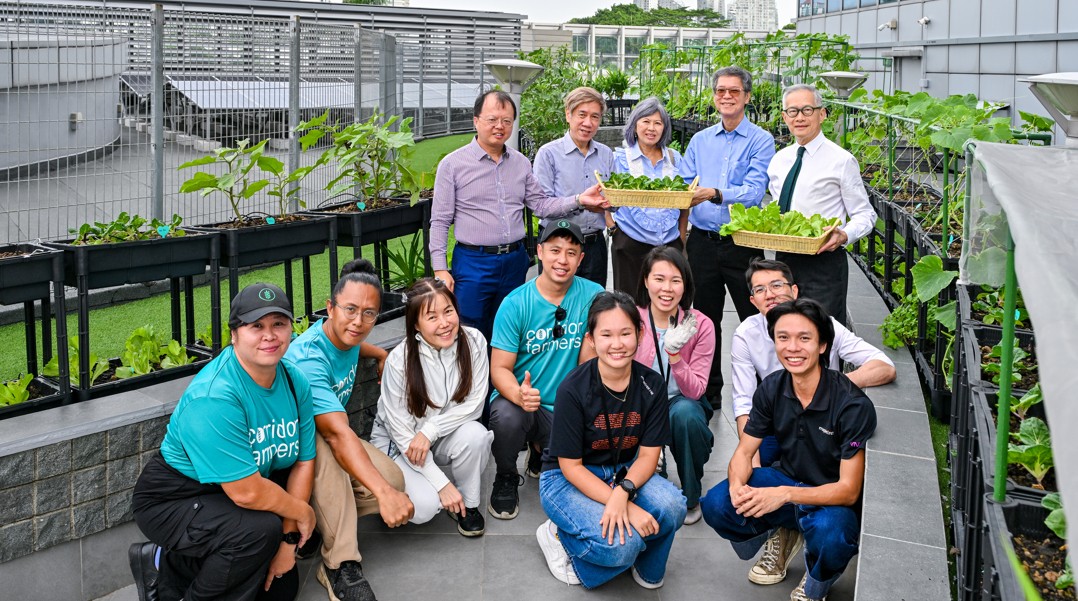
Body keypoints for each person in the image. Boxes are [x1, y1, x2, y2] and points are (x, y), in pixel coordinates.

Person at [129, 283, 316, 601]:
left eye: (278, 324)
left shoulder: (294, 380)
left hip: (235, 494)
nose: (269, 335)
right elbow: (246, 493)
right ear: (234, 335)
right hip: (176, 498)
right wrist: (302, 512)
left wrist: (288, 542)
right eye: (256, 326)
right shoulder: (215, 396)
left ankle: (164, 565)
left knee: (279, 592)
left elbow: (303, 462)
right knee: (256, 533)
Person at [730, 259, 895, 585]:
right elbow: (743, 403)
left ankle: (813, 544)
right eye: (760, 289)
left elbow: (884, 365)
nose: (770, 294)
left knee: (825, 491)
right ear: (753, 300)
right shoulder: (746, 335)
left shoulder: (825, 325)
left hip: (823, 427)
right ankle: (783, 531)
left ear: (794, 290)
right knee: (742, 484)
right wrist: (753, 465)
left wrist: (831, 390)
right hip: (776, 424)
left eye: (777, 285)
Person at [701, 298, 877, 601]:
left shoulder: (851, 405)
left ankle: (817, 582)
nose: (792, 347)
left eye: (804, 338)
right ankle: (784, 529)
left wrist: (783, 495)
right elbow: (744, 453)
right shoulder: (772, 387)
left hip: (830, 501)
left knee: (832, 536)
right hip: (786, 480)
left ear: (822, 345)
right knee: (717, 505)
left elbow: (848, 490)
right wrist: (736, 487)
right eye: (783, 338)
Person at [430, 90, 609, 342]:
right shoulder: (453, 164)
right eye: (492, 119)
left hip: (514, 261)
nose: (499, 126)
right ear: (476, 120)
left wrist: (579, 199)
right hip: (473, 262)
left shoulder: (520, 163)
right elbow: (439, 220)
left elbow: (542, 206)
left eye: (506, 121)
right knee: (470, 333)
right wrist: (440, 268)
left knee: (514, 331)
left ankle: (505, 382)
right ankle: (475, 383)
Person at [536, 291, 686, 589]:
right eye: (606, 334)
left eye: (625, 333)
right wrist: (626, 505)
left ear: (640, 334)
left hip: (623, 470)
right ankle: (559, 537)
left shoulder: (651, 384)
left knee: (672, 507)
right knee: (621, 546)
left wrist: (624, 490)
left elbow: (647, 456)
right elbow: (571, 467)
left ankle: (644, 565)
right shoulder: (573, 389)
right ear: (591, 339)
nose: (617, 344)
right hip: (567, 478)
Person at [284, 259, 415, 601]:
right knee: (327, 442)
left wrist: (381, 355)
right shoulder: (309, 359)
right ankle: (339, 564)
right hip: (290, 457)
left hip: (330, 439)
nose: (359, 322)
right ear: (330, 308)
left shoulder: (348, 336)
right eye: (351, 310)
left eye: (369, 313)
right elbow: (337, 435)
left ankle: (316, 522)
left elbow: (356, 348)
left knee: (394, 480)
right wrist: (386, 498)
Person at [487, 220, 603, 521]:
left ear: (581, 258)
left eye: (570, 252)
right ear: (539, 252)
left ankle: (542, 451)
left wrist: (577, 407)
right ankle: (507, 474)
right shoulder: (515, 304)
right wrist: (518, 393)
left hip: (568, 405)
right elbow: (499, 368)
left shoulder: (594, 295)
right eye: (554, 250)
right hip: (526, 402)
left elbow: (590, 364)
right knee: (506, 414)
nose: (561, 260)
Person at [680, 66, 776, 408]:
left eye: (734, 91)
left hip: (742, 242)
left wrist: (716, 193)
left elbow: (753, 192)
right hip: (703, 241)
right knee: (705, 318)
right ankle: (709, 391)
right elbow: (685, 185)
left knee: (758, 316)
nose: (726, 96)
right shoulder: (700, 140)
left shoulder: (761, 140)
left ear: (747, 97)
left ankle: (767, 391)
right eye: (720, 90)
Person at [370, 278, 494, 537]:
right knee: (425, 508)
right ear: (415, 323)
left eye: (448, 311)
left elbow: (475, 404)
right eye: (432, 316)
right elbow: (402, 433)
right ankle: (393, 493)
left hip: (438, 435)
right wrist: (442, 484)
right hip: (401, 444)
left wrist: (431, 431)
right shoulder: (399, 361)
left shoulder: (475, 342)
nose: (444, 323)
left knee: (476, 436)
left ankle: (467, 506)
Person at [767, 83, 876, 323]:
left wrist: (844, 235)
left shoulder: (842, 161)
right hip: (784, 261)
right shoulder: (779, 161)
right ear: (785, 117)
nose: (800, 117)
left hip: (824, 261)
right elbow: (777, 208)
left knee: (822, 333)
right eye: (793, 112)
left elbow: (865, 215)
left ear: (822, 113)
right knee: (786, 331)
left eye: (807, 110)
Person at [632, 246, 715, 526]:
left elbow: (696, 390)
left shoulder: (700, 324)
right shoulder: (631, 318)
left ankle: (692, 496)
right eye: (659, 279)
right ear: (645, 280)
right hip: (639, 402)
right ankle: (653, 466)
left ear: (685, 285)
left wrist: (676, 355)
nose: (667, 288)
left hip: (680, 401)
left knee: (687, 417)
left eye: (676, 280)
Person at [533, 86, 614, 287]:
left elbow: (615, 201)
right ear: (568, 115)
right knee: (555, 308)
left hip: (595, 246)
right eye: (582, 115)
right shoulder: (548, 154)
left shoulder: (605, 154)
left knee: (593, 308)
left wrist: (610, 204)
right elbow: (541, 207)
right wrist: (579, 201)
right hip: (559, 245)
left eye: (595, 117)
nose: (588, 123)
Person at [608, 97, 686, 295]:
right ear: (635, 126)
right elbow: (602, 196)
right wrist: (613, 230)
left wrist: (682, 238)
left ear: (664, 128)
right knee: (629, 307)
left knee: (668, 302)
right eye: (646, 121)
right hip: (630, 243)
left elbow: (686, 199)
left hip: (669, 243)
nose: (651, 128)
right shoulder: (618, 159)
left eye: (658, 123)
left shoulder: (674, 158)